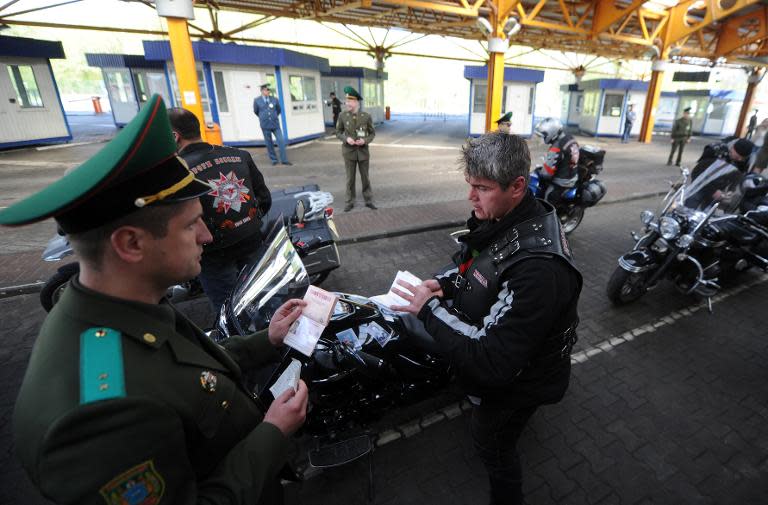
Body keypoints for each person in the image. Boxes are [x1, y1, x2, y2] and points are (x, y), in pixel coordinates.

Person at [1, 95, 309, 505]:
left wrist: (264, 339)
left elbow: (187, 363)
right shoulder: (101, 417)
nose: (208, 236)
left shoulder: (126, 302)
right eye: (191, 226)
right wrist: (272, 434)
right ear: (131, 244)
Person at [391, 132, 582, 505]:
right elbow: (482, 263)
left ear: (517, 186)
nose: (471, 197)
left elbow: (490, 359)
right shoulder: (510, 216)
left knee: (493, 443)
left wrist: (427, 309)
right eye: (470, 185)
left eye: (481, 187)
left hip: (522, 383)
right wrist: (445, 284)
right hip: (515, 359)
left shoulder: (540, 272)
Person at [168, 107, 272, 313]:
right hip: (252, 241)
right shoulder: (239, 155)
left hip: (214, 257)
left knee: (229, 313)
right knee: (264, 299)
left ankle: (242, 342)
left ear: (174, 136)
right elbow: (265, 199)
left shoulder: (176, 172)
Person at [336, 86, 376, 212]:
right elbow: (338, 132)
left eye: (350, 101)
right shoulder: (342, 116)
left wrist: (365, 141)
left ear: (356, 102)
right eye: (346, 101)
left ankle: (368, 200)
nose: (347, 103)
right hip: (349, 152)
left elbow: (372, 133)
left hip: (363, 152)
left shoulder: (366, 116)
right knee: (350, 179)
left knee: (365, 178)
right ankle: (349, 201)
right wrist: (346, 139)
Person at [533, 117, 580, 204]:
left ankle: (550, 216)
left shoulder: (556, 147)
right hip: (572, 174)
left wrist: (539, 171)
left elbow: (546, 174)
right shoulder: (569, 138)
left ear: (551, 133)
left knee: (546, 199)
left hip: (563, 182)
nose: (543, 138)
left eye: (544, 135)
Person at [253, 84, 291, 166]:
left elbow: (278, 110)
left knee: (281, 141)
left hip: (275, 124)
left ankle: (284, 160)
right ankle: (274, 160)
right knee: (269, 143)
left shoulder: (274, 99)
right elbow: (256, 111)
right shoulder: (257, 100)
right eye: (266, 90)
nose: (268, 91)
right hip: (265, 125)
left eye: (268, 90)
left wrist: (273, 116)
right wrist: (263, 117)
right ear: (262, 91)